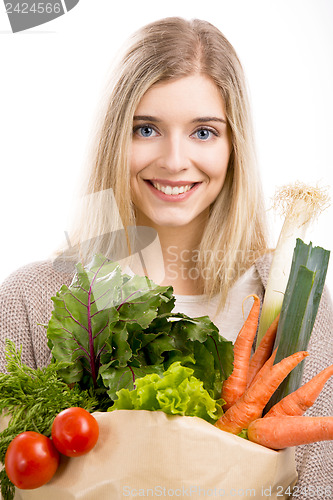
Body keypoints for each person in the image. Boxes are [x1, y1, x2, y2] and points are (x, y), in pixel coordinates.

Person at [0, 17, 332, 498]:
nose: (175, 160)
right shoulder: (29, 302)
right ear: (115, 138)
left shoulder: (301, 312)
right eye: (147, 128)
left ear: (233, 147)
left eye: (203, 132)